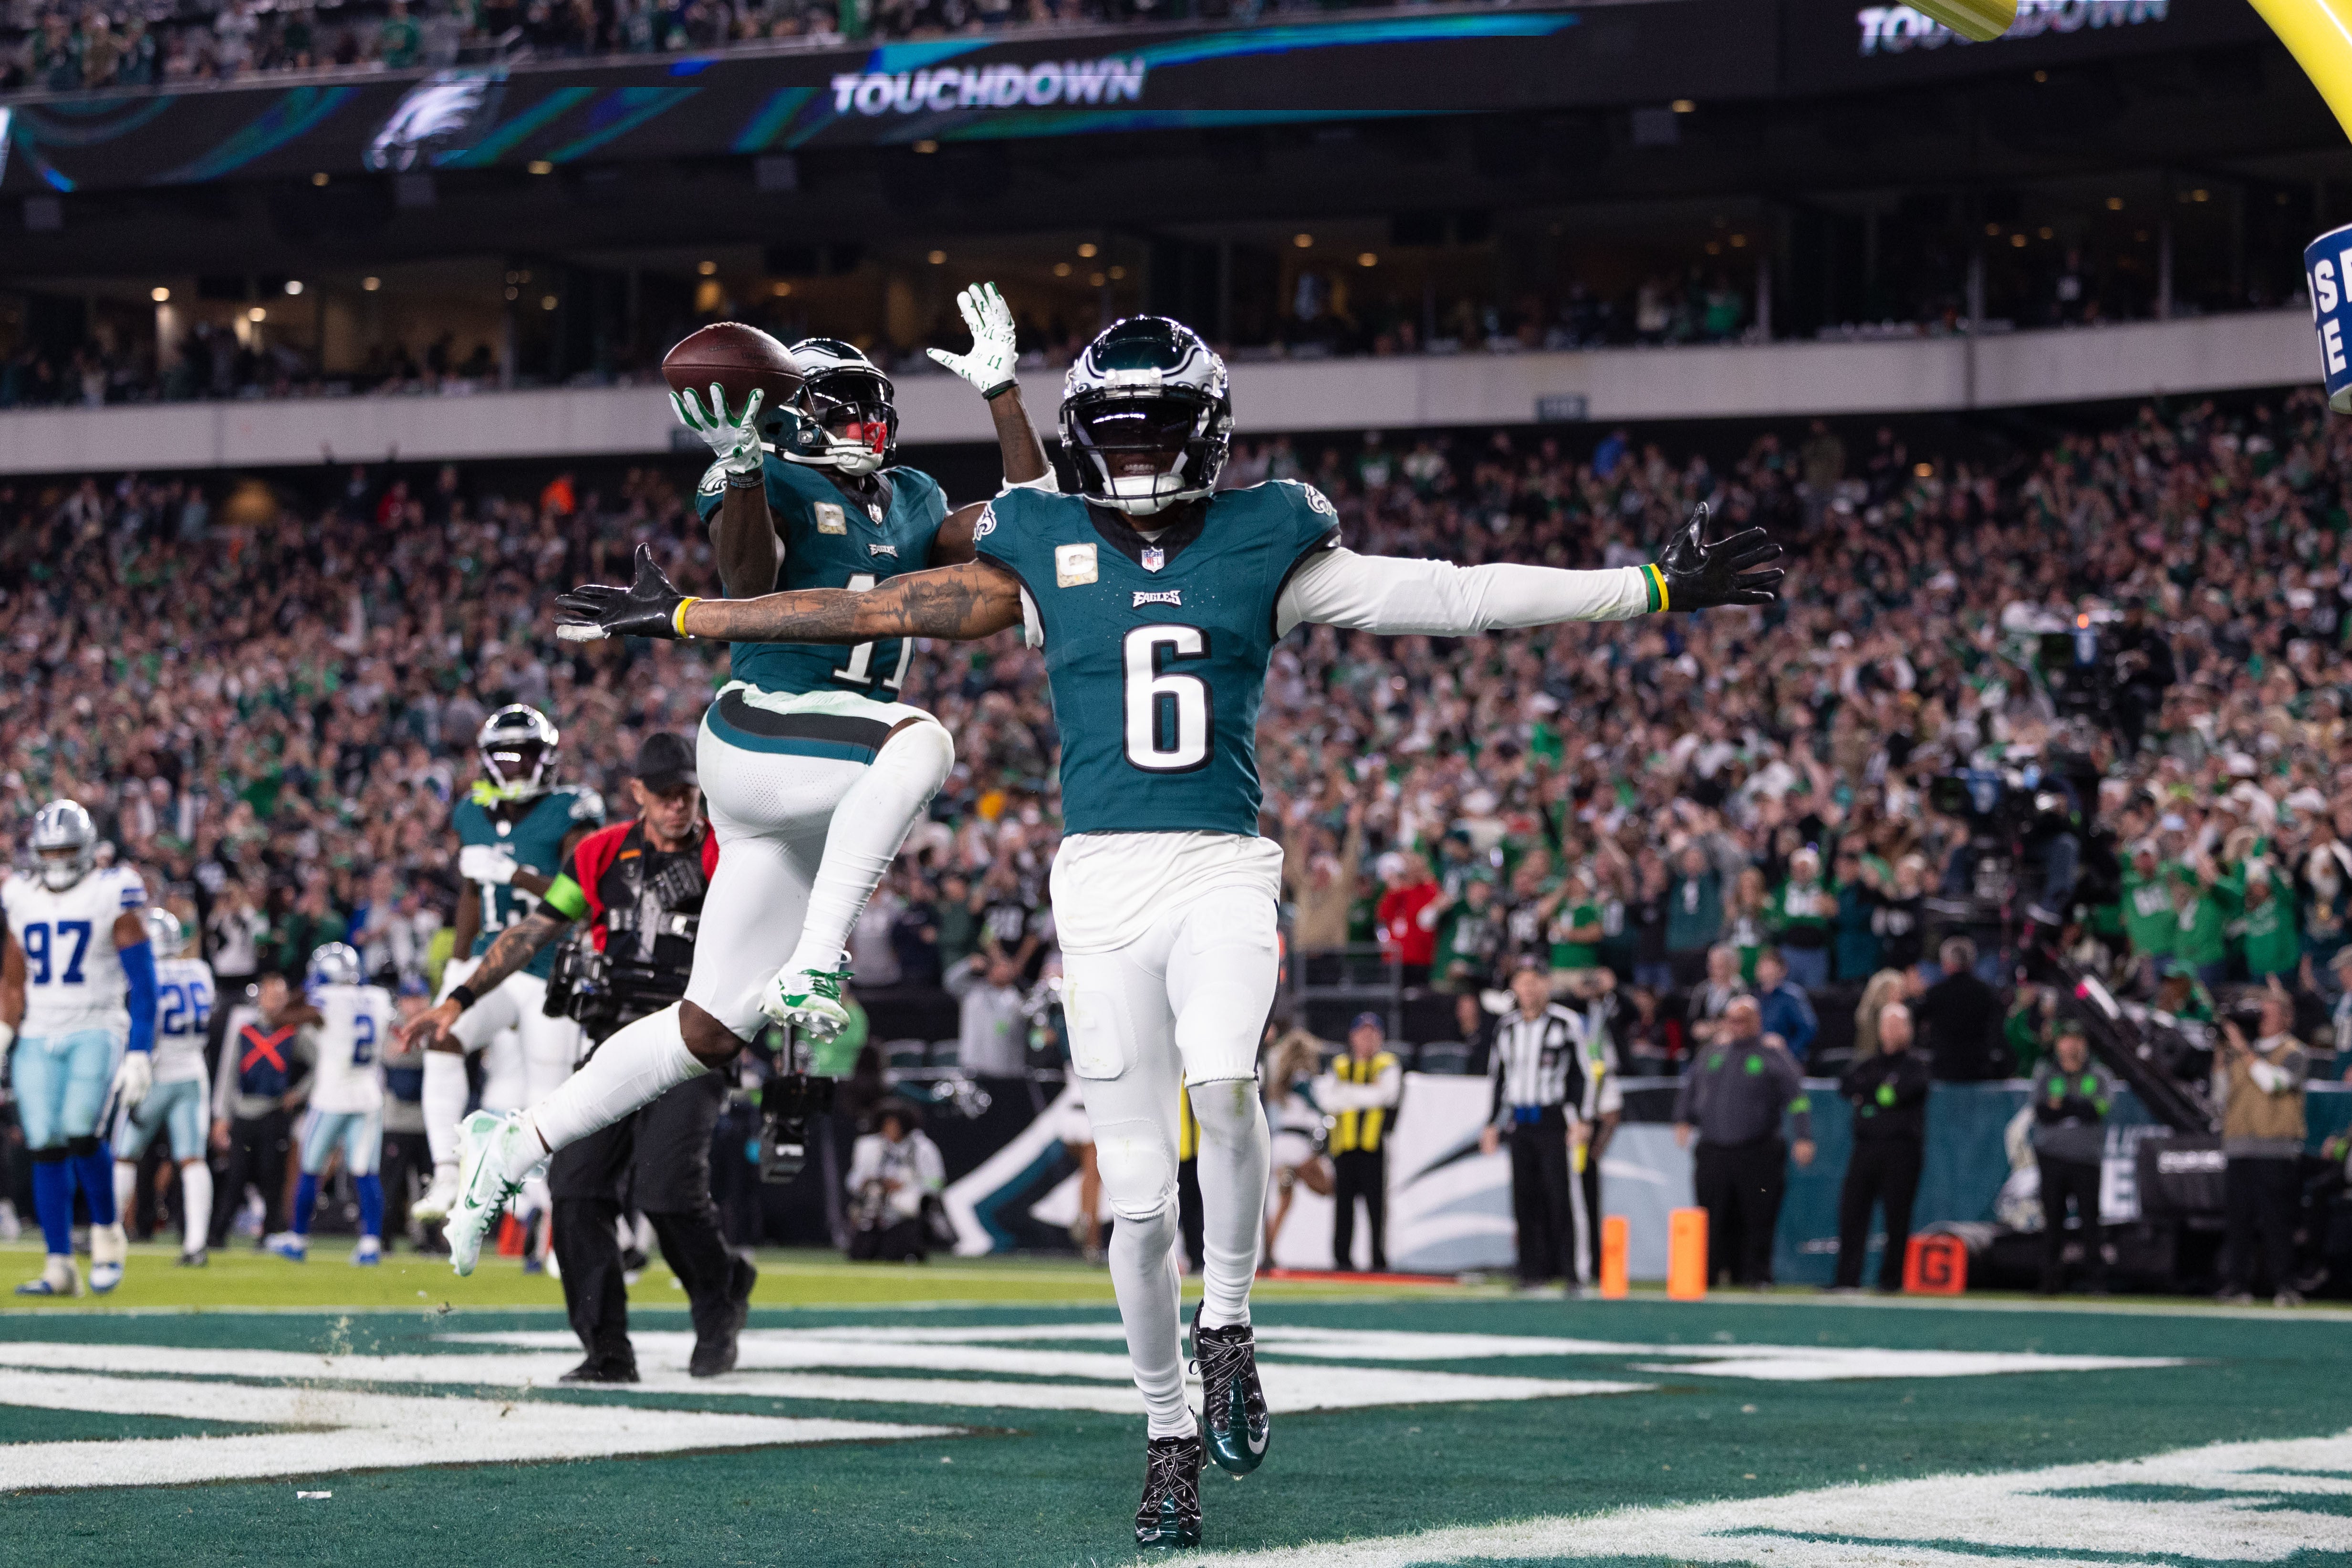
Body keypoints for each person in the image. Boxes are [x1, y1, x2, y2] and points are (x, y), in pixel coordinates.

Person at [550, 311, 1781, 1548]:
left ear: (1206, 433)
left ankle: (1230, 1324)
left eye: (1156, 430)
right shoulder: (1045, 537)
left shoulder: (1267, 533)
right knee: (1137, 1205)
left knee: (1230, 1078)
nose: (1136, 458)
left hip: (1220, 869)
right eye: (1118, 434)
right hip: (1098, 885)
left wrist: (1650, 587)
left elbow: (1452, 597)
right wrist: (693, 621)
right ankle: (1167, 1436)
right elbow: (879, 604)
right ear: (1090, 439)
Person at [438, 287, 1050, 1277]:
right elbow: (747, 577)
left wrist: (1005, 397)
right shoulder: (764, 476)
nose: (869, 424)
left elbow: (1042, 524)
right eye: (845, 406)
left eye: (874, 405)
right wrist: (741, 466)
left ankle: (508, 1143)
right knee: (921, 739)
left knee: (707, 1029)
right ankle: (818, 958)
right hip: (761, 730)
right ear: (797, 411)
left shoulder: (916, 499)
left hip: (819, 788)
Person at [400, 733, 752, 1380]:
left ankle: (720, 1293)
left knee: (667, 1190)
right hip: (609, 1041)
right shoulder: (598, 853)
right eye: (667, 793)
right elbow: (536, 927)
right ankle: (607, 1350)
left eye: (689, 793)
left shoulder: (725, 851)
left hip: (689, 1042)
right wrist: (457, 1000)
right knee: (575, 1188)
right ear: (638, 793)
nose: (680, 805)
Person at [416, 704, 605, 1229]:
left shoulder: (573, 807)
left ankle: (552, 1221)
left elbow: (584, 898)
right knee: (443, 1035)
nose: (517, 763)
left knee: (545, 1103)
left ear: (546, 756)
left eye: (527, 752)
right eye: (505, 753)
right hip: (491, 966)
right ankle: (446, 1171)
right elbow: (472, 897)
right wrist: (457, 967)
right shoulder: (470, 812)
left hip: (550, 967)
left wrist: (515, 873)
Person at [1, 800, 156, 1296]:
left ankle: (108, 1235)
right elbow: (13, 978)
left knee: (80, 1130)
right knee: (44, 1142)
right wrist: (4, 1032)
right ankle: (59, 1265)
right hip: (37, 1030)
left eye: (68, 849)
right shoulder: (20, 895)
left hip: (96, 1024)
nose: (59, 860)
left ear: (88, 850)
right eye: (51, 851)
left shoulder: (111, 890)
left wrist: (138, 1050)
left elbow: (145, 983)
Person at [1674, 996, 1815, 1288]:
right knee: (1712, 1215)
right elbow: (1690, 1087)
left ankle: (1756, 1274)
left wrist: (1803, 1136)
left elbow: (1797, 1098)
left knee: (1758, 1216)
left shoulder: (1771, 1054)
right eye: (1732, 1019)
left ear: (1757, 1021)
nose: (1736, 1026)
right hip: (1714, 1149)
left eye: (1743, 1020)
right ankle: (1711, 1273)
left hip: (1758, 1150)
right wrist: (1683, 1119)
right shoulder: (1713, 1052)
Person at [270, 944, 394, 1265]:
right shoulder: (379, 998)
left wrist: (304, 989)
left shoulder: (327, 1001)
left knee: (310, 1168)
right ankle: (370, 1244)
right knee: (366, 1172)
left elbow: (278, 1017)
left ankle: (297, 1238)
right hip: (368, 1094)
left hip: (332, 1096)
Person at [109, 908, 215, 1267]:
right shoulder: (201, 971)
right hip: (193, 1072)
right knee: (193, 1160)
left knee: (125, 1154)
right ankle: (196, 1243)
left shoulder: (141, 973)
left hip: (153, 1071)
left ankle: (106, 1234)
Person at [1481, 960, 1588, 1291]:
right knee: (1523, 1198)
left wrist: (1581, 1117)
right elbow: (1499, 1079)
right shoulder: (1507, 1027)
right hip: (1520, 1121)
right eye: (1522, 983)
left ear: (1546, 985)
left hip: (1552, 1118)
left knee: (1560, 1196)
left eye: (1534, 982)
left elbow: (1582, 1074)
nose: (1528, 990)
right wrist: (1491, 1124)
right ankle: (1531, 1271)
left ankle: (1571, 1272)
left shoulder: (1565, 1023)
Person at [208, 973, 317, 1251]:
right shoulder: (246, 1029)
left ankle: (269, 1233)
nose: (274, 1002)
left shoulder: (295, 1030)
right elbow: (229, 1073)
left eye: (280, 997)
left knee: (273, 1178)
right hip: (245, 1110)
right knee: (235, 1176)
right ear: (260, 997)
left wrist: (300, 1094)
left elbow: (321, 1062)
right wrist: (223, 1116)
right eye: (270, 995)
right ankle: (217, 1234)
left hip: (274, 1111)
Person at [2214, 994, 2310, 1306]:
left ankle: (2285, 1286)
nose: (2262, 1018)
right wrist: (2219, 1061)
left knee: (2277, 1222)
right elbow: (2220, 1099)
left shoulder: (2294, 1052)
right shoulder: (2239, 1052)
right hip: (2239, 1146)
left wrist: (2243, 1048)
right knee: (2238, 1222)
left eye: (2269, 1013)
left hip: (2275, 1149)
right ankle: (2237, 1284)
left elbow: (2274, 1083)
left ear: (2286, 1016)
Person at [1831, 1001, 1930, 1292]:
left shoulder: (1916, 1065)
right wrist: (1876, 1093)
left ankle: (1890, 1281)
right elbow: (1847, 1085)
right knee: (1852, 1213)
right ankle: (1846, 1279)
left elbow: (1899, 1094)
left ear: (1908, 1030)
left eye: (1897, 1024)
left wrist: (1871, 1095)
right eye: (1886, 1024)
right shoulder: (1870, 1063)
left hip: (1902, 1151)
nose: (1890, 1031)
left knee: (1896, 1217)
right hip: (1866, 1148)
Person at [2030, 1018, 2113, 1296]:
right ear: (2057, 1043)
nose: (2071, 1045)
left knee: (2091, 1221)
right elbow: (2043, 1112)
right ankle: (2050, 1282)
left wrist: (2065, 1105)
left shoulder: (2098, 1076)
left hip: (2086, 1159)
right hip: (2052, 1157)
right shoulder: (2046, 1074)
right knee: (2053, 1221)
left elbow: (2097, 1110)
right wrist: (2076, 1107)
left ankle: (2096, 1282)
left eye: (2077, 1040)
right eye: (2066, 1039)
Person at [1319, 1012, 1401, 1272]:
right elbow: (1327, 1100)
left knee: (1376, 1208)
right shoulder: (1340, 1064)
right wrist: (1368, 1094)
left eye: (1373, 1034)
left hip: (1373, 1147)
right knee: (1343, 1208)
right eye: (1362, 1034)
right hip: (1343, 1147)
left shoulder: (1387, 1063)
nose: (1367, 1039)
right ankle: (1342, 1261)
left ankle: (1379, 1260)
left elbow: (1388, 1095)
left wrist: (1347, 1094)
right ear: (1352, 1037)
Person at [846, 1098, 946, 1261]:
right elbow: (853, 1181)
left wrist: (905, 1186)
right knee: (860, 1254)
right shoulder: (869, 1147)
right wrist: (868, 1183)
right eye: (886, 1124)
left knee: (895, 1253)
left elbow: (936, 1183)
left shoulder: (922, 1148)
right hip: (874, 1211)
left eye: (895, 1124)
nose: (890, 1129)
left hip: (905, 1214)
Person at [1920, 937, 2003, 1080]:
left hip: (1944, 1071)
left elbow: (1915, 1019)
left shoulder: (1935, 993)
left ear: (1946, 963)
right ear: (1972, 962)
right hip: (1979, 1071)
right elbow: (1998, 1030)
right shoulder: (1987, 993)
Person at [1751, 948, 1818, 1064]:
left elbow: (1808, 1029)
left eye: (1769, 966)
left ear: (1782, 970)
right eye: (1762, 966)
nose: (1765, 971)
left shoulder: (1792, 996)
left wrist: (1788, 1053)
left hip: (1786, 1060)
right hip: (1758, 1059)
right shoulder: (1753, 996)